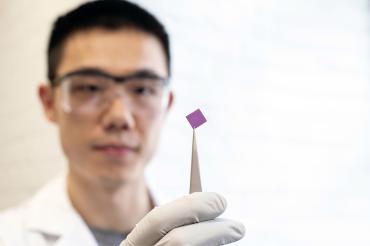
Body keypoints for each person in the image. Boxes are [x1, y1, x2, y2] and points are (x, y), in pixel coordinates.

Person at [0, 1, 245, 245]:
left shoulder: (206, 235)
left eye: (141, 89)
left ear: (166, 105)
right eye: (90, 87)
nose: (120, 117)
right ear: (49, 103)